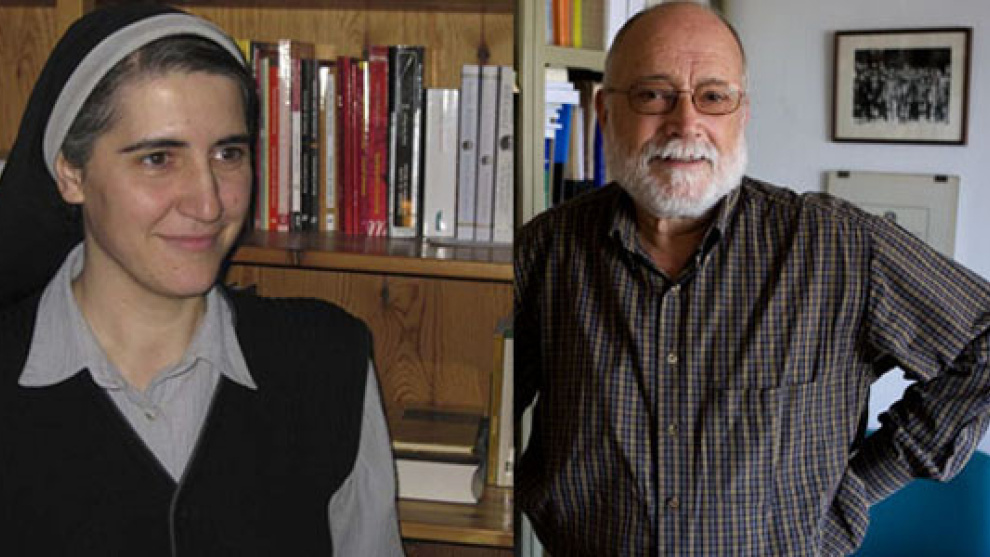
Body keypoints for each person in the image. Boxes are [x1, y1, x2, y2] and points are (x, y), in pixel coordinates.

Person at [514, 3, 990, 555]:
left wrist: (859, 487)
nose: (685, 123)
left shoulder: (840, 247)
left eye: (714, 97)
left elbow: (981, 339)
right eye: (653, 95)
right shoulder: (545, 251)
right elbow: (481, 397)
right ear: (605, 111)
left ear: (742, 114)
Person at [0, 5, 403, 555]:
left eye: (228, 153)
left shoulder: (329, 363)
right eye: (158, 158)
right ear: (72, 174)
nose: (209, 203)